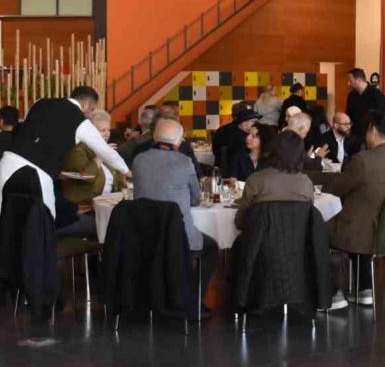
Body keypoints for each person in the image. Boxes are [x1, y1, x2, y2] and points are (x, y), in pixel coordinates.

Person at [0, 86, 129, 224]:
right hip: (40, 172)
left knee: (3, 210)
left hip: (9, 161)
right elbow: (104, 150)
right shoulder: (80, 120)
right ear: (86, 104)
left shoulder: (40, 102)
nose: (90, 115)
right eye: (92, 110)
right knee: (46, 218)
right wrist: (126, 171)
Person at [325, 111, 385, 305]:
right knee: (363, 216)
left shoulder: (363, 160)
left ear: (372, 130)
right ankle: (364, 288)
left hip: (363, 233)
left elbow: (335, 189)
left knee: (317, 228)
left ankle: (331, 293)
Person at [132, 119, 217, 310]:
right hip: (179, 235)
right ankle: (192, 299)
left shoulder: (139, 160)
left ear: (155, 137)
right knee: (211, 248)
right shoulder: (185, 162)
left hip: (144, 233)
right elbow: (195, 199)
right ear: (179, 141)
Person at [234, 130, 315, 231]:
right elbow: (308, 219)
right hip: (297, 240)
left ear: (272, 151)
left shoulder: (255, 181)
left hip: (261, 239)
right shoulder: (306, 183)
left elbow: (240, 222)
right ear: (301, 155)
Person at [62, 109, 125, 205]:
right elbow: (86, 177)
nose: (107, 134)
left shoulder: (106, 149)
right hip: (84, 206)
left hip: (108, 204)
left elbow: (118, 179)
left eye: (108, 130)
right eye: (103, 130)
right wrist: (101, 156)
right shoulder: (77, 150)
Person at [345, 68, 385, 140]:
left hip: (372, 135)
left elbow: (383, 116)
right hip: (355, 135)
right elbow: (348, 115)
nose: (348, 84)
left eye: (350, 81)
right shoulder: (351, 96)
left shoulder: (377, 95)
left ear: (359, 80)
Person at [217, 108, 262, 177]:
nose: (257, 124)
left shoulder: (222, 129)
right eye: (254, 121)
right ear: (244, 123)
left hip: (220, 169)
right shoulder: (244, 140)